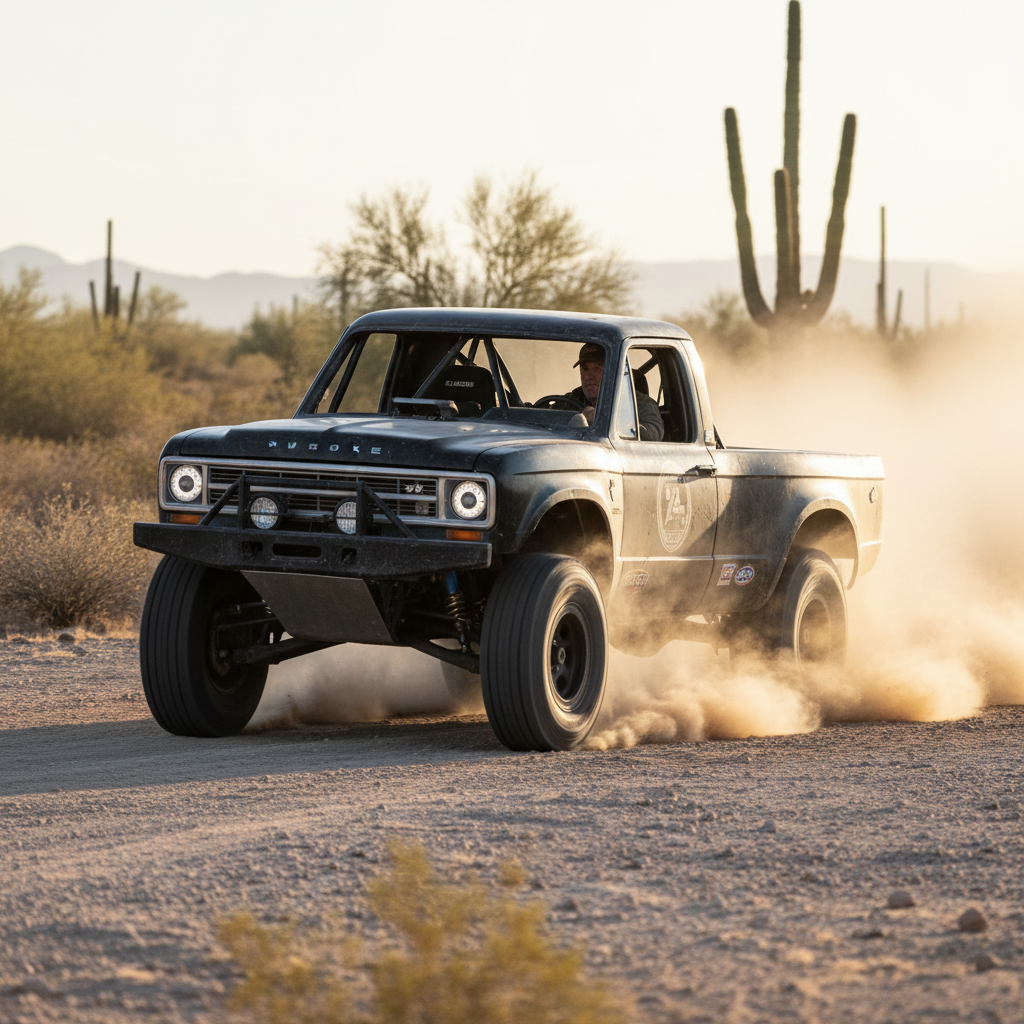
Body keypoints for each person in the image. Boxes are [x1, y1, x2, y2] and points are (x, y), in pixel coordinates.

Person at [567, 343, 664, 441]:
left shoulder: (639, 402)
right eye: (585, 369)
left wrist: (605, 421)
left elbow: (653, 433)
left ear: (613, 372)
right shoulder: (572, 399)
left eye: (597, 368)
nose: (589, 376)